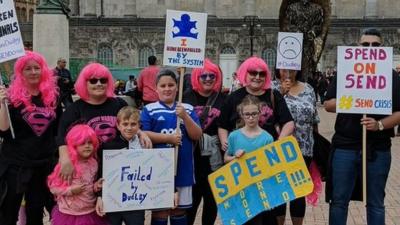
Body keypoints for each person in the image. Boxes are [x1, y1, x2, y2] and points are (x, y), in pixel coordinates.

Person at [324, 28, 400, 225]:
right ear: (359, 47)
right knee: (339, 200)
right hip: (344, 147)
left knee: (375, 202)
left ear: (381, 48)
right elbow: (328, 104)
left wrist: (380, 125)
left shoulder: (391, 76)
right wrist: (353, 100)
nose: (370, 49)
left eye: (375, 45)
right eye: (366, 45)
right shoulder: (345, 71)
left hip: (378, 148)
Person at [218, 56, 294, 224]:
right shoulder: (234, 97)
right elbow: (222, 124)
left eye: (262, 73)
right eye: (253, 72)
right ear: (246, 73)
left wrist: (277, 144)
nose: (257, 77)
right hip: (242, 163)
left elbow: (288, 122)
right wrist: (225, 142)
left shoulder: (274, 96)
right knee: (244, 208)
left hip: (266, 161)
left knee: (268, 208)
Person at [57, 62, 151, 183]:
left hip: (118, 166)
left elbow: (129, 122)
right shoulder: (74, 109)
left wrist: (140, 132)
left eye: (103, 80)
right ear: (84, 83)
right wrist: (65, 158)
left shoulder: (119, 104)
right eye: (93, 81)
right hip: (88, 168)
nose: (99, 84)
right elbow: (61, 136)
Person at [0, 51, 62, 225]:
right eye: (28, 69)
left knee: (35, 210)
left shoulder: (52, 97)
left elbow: (57, 130)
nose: (34, 72)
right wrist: (2, 105)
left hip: (42, 164)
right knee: (8, 211)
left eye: (37, 68)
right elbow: (3, 130)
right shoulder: (11, 98)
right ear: (20, 73)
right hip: (16, 164)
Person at [140, 69, 202, 225]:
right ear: (156, 88)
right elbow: (142, 133)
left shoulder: (187, 109)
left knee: (179, 209)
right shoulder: (149, 109)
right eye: (163, 85)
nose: (167, 88)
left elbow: (197, 135)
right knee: (160, 211)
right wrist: (168, 138)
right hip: (157, 170)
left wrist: (185, 117)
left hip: (183, 167)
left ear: (177, 87)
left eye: (171, 85)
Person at [272, 69, 319, 225]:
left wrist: (315, 146)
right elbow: (266, 116)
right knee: (280, 190)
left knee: (298, 191)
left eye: (292, 67)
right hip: (279, 148)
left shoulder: (308, 89)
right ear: (278, 69)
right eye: (284, 68)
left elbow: (314, 119)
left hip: (304, 148)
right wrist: (281, 93)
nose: (288, 72)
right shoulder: (272, 88)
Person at [183, 59, 226, 225]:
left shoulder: (223, 99)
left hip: (214, 160)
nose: (208, 78)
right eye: (204, 76)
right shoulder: (186, 97)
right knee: (190, 204)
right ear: (196, 78)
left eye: (212, 75)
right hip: (192, 158)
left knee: (211, 202)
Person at [224, 95, 274, 225]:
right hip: (239, 188)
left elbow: (271, 166)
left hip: (259, 188)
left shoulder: (267, 138)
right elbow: (226, 159)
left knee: (257, 221)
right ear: (241, 114)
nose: (251, 117)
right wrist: (235, 157)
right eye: (247, 114)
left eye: (254, 114)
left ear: (260, 113)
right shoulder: (234, 136)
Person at [47, 124, 108, 225]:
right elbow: (53, 188)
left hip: (90, 210)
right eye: (82, 143)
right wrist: (70, 190)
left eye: (90, 143)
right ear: (73, 145)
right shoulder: (67, 165)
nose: (87, 146)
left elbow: (88, 184)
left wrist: (96, 186)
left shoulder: (94, 163)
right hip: (69, 214)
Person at [95, 106, 145, 225]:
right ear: (118, 125)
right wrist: (99, 197)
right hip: (113, 200)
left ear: (139, 126)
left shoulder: (144, 145)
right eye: (125, 124)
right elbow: (101, 173)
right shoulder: (108, 146)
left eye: (133, 124)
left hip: (135, 201)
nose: (129, 128)